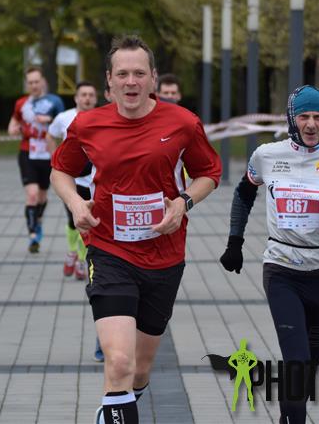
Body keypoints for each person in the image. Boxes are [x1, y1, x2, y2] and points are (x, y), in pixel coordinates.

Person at [51, 35, 221, 424]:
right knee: (119, 362)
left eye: (139, 73)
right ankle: (118, 407)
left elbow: (209, 172)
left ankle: (116, 408)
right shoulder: (88, 124)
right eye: (123, 74)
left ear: (153, 78)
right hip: (109, 251)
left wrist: (183, 202)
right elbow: (60, 170)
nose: (131, 81)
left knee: (140, 370)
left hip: (164, 256)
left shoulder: (182, 123)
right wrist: (75, 203)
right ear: (109, 80)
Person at [219, 85, 319, 424]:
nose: (311, 124)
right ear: (291, 119)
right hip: (281, 270)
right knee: (295, 361)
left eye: (318, 117)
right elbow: (243, 194)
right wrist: (234, 242)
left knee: (307, 366)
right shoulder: (267, 155)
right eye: (304, 117)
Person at [9, 67, 64, 253]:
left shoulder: (54, 101)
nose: (34, 85)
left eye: (36, 81)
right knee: (32, 195)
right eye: (30, 82)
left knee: (42, 196)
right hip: (27, 153)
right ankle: (33, 235)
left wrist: (48, 119)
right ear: (27, 84)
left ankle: (38, 220)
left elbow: (63, 124)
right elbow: (12, 125)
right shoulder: (21, 103)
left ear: (43, 82)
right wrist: (14, 129)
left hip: (47, 154)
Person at [46, 81, 98, 280]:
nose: (87, 98)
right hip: (73, 181)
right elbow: (50, 136)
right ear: (76, 98)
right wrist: (56, 161)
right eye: (83, 94)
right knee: (72, 220)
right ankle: (72, 251)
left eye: (91, 95)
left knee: (88, 222)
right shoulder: (64, 117)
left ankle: (82, 260)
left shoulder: (103, 117)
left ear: (96, 98)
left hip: (94, 181)